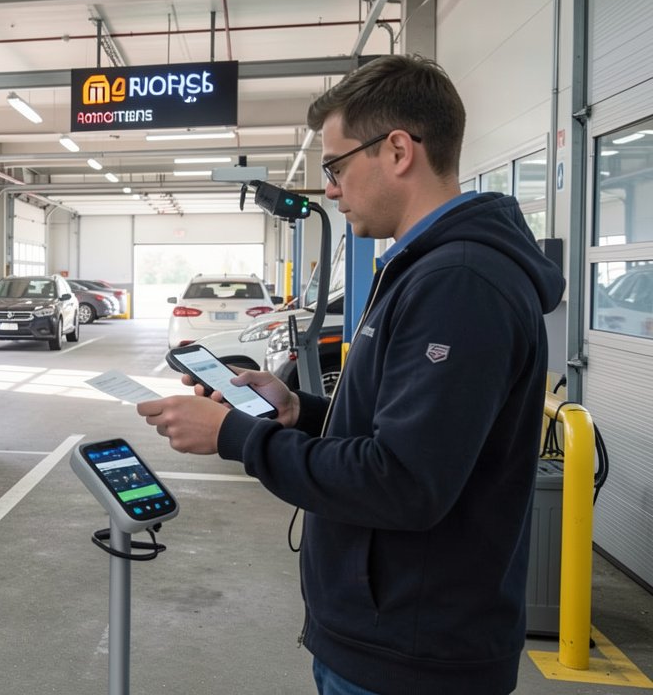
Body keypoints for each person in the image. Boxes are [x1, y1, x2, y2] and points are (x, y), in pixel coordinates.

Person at [137, 54, 565, 695]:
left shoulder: (459, 283)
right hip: (393, 633)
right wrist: (298, 410)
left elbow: (405, 483)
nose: (330, 190)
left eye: (336, 167)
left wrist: (236, 437)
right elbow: (412, 431)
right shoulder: (427, 268)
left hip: (413, 655)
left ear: (397, 151)